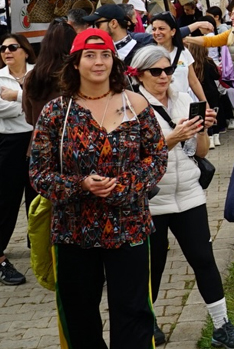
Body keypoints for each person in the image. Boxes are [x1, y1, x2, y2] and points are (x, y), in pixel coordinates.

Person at [29, 29, 167, 348]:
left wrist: (124, 185)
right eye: (90, 55)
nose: (99, 62)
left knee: (133, 314)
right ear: (75, 63)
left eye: (105, 55)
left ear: (114, 61)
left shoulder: (136, 105)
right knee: (79, 317)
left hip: (129, 227)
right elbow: (38, 172)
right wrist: (81, 185)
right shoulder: (57, 113)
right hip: (74, 231)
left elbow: (158, 156)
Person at [130, 46, 234, 347]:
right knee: (152, 267)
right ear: (140, 74)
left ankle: (222, 325)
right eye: (156, 71)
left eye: (168, 70)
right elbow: (135, 160)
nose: (164, 76)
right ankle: (149, 321)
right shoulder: (132, 107)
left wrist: (203, 130)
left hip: (190, 194)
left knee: (203, 259)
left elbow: (201, 152)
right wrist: (172, 139)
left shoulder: (184, 99)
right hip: (153, 201)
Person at [0, 34, 35, 286]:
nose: (7, 51)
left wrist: (16, 96)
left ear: (25, 50)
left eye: (12, 47)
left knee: (38, 196)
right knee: (6, 199)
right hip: (9, 143)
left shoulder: (37, 73)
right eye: (2, 48)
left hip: (36, 139)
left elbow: (46, 104)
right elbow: (2, 109)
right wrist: (28, 101)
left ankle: (39, 243)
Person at [188, 2, 234, 111]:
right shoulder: (232, 33)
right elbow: (210, 41)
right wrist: (185, 39)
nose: (232, 17)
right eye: (231, 14)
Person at [150, 12, 207, 103]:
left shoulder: (183, 52)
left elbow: (193, 81)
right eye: (154, 29)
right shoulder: (149, 55)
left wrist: (205, 102)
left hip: (184, 104)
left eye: (161, 28)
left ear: (173, 31)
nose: (157, 33)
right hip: (161, 105)